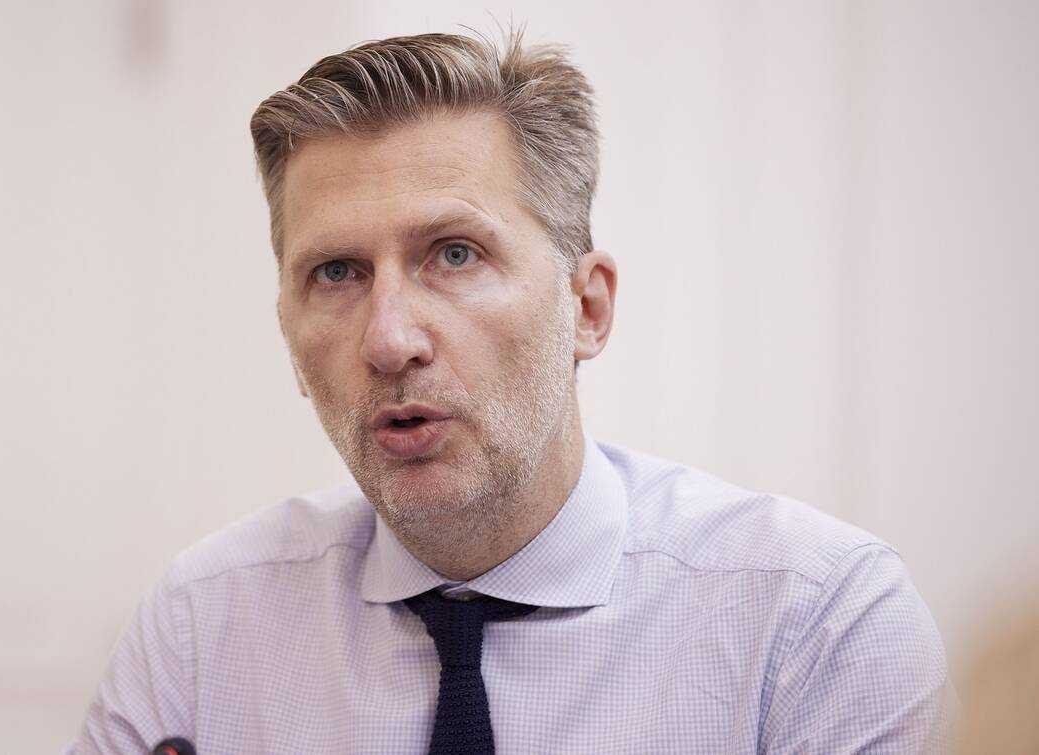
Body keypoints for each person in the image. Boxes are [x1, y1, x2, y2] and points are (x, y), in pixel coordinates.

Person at [71, 29, 953, 753]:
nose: (389, 340)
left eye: (454, 254)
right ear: (291, 346)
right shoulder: (201, 628)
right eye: (336, 272)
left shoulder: (814, 625)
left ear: (587, 307)